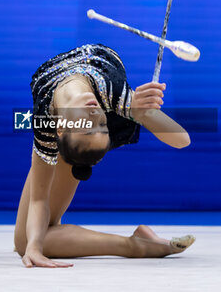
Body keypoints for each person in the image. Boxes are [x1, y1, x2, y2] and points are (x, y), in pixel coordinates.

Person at [14, 43, 195, 268]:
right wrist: (143, 113)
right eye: (100, 124)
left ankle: (135, 245)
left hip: (72, 140)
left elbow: (181, 140)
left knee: (27, 241)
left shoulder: (48, 121)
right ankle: (134, 245)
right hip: (79, 129)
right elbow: (182, 139)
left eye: (91, 125)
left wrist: (145, 114)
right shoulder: (111, 94)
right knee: (28, 241)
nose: (95, 114)